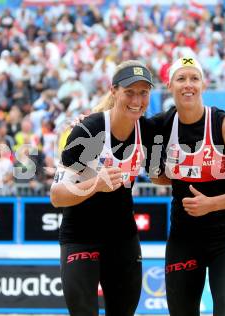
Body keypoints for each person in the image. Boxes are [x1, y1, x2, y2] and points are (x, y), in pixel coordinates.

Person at [50, 60, 162, 316]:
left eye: (143, 92)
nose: (137, 100)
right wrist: (95, 185)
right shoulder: (88, 131)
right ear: (114, 91)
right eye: (129, 92)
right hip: (81, 236)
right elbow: (56, 196)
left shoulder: (149, 130)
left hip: (122, 238)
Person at [159, 57, 225, 316]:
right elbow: (123, 121)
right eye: (181, 78)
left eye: (194, 78)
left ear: (203, 85)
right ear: (169, 85)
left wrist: (211, 204)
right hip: (184, 238)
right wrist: (86, 122)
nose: (188, 84)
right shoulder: (160, 126)